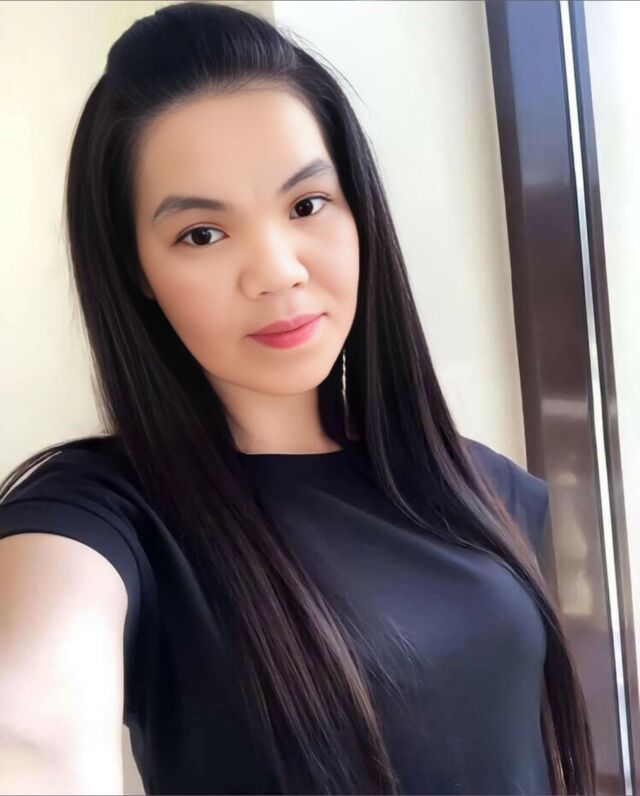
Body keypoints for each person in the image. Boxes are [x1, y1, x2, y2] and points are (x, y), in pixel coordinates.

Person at [0, 2, 595, 794]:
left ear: (359, 212)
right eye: (202, 234)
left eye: (307, 205)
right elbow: (30, 726)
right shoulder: (102, 515)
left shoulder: (483, 489)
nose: (277, 271)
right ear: (136, 269)